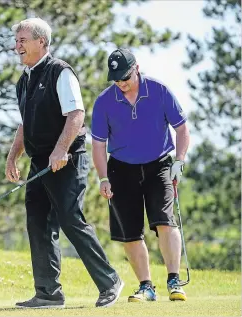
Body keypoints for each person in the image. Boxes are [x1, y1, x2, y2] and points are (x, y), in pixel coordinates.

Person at [6, 18, 124, 309]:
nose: (17, 45)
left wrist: (60, 150)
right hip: (40, 164)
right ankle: (48, 293)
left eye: (23, 39)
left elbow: (76, 116)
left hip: (67, 160)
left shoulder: (60, 71)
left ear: (41, 42)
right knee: (37, 224)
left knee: (71, 220)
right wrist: (13, 156)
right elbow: (26, 124)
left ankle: (110, 281)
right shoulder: (24, 79)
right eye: (16, 40)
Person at [91, 48, 190, 302]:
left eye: (124, 76)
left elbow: (181, 129)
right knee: (129, 232)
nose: (121, 82)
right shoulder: (104, 101)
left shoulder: (159, 90)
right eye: (116, 78)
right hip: (121, 169)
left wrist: (179, 160)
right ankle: (146, 287)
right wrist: (103, 178)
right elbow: (99, 145)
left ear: (136, 68)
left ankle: (174, 281)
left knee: (165, 221)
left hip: (159, 165)